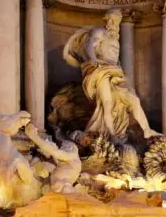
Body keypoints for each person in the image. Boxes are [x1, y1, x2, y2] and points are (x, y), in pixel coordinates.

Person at [63, 9, 159, 143]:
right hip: (99, 71)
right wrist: (93, 59)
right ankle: (112, 135)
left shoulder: (115, 38)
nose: (112, 23)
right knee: (107, 104)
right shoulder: (99, 32)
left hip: (115, 72)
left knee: (134, 100)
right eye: (111, 20)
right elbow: (90, 45)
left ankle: (147, 130)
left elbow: (114, 58)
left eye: (115, 21)